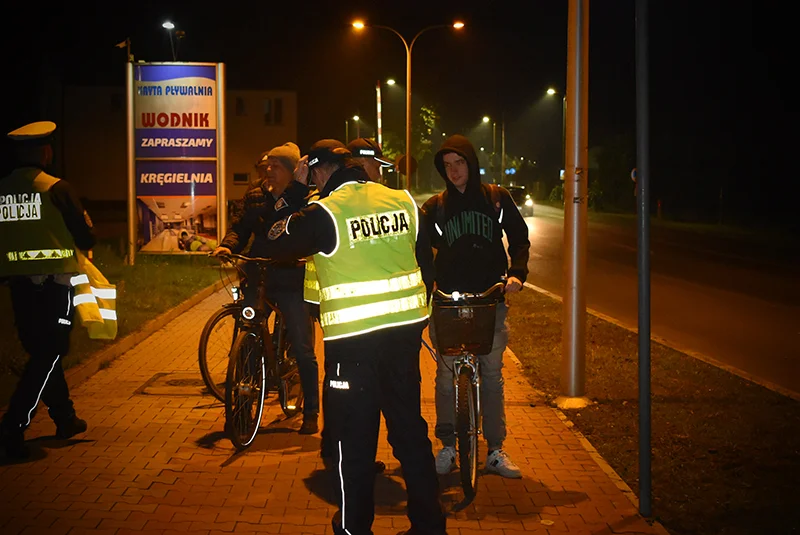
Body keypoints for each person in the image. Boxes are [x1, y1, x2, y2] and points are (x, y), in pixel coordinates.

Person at [261, 139, 446, 535]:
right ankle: (430, 525)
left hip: (352, 348)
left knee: (353, 442)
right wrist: (416, 322)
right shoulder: (402, 201)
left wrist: (294, 190)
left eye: (308, 175)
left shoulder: (326, 211)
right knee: (409, 431)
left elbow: (272, 240)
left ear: (316, 170)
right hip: (402, 340)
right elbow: (427, 265)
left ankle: (353, 528)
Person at [421, 134, 530, 479]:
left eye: (459, 163)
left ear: (471, 163)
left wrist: (517, 273)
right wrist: (428, 282)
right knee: (445, 376)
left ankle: (495, 449)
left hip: (490, 299)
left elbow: (519, 236)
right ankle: (449, 446)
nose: (453, 171)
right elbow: (420, 246)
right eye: (447, 165)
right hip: (449, 302)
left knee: (493, 374)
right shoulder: (436, 206)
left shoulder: (496, 199)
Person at [0, 121, 95, 459]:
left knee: (42, 352)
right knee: (49, 353)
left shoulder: (3, 189)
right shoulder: (56, 188)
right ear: (45, 152)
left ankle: (65, 419)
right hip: (55, 286)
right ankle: (12, 426)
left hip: (18, 288)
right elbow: (86, 237)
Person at [212, 142, 320, 434]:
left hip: (289, 279)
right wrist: (227, 245)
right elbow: (241, 226)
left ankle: (311, 410)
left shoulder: (304, 197)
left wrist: (294, 193)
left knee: (302, 346)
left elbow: (284, 225)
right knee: (247, 337)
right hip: (257, 275)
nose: (268, 171)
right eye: (267, 166)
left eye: (275, 166)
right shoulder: (255, 195)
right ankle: (241, 411)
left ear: (291, 171)